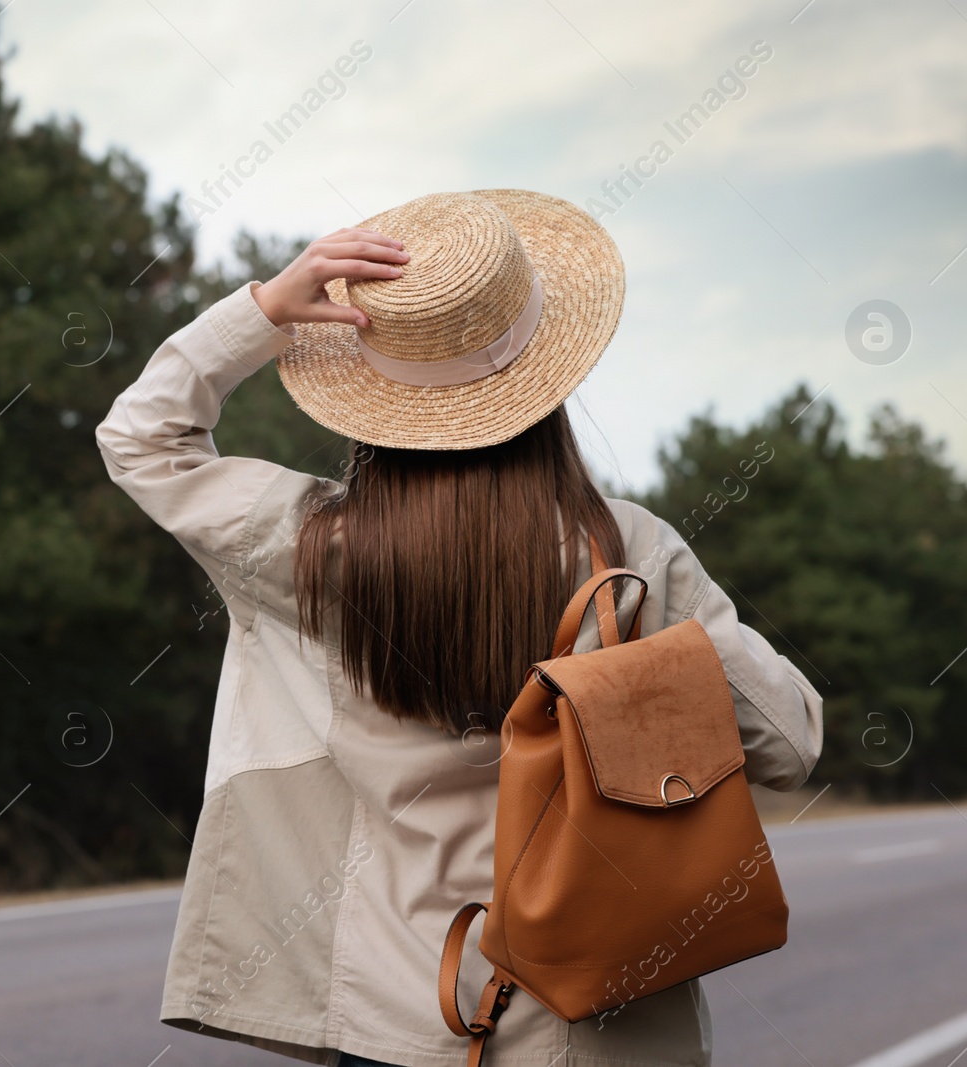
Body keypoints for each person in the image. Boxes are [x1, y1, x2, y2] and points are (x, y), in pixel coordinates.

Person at [95, 190, 823, 1067]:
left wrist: (263, 311)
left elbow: (142, 438)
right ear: (547, 378)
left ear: (369, 397)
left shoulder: (302, 548)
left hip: (397, 1019)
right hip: (601, 1028)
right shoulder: (628, 553)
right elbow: (791, 741)